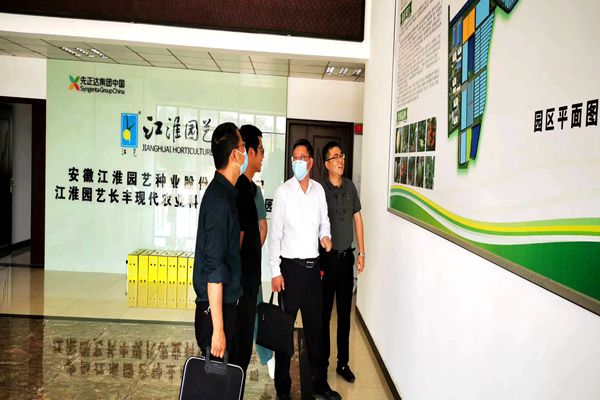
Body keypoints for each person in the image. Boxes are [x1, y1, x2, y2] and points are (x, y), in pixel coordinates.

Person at [269, 139, 341, 400]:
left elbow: (325, 222)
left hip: (312, 271)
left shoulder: (318, 191)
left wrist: (326, 236)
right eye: (294, 158)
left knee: (316, 330)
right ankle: (283, 388)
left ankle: (319, 383)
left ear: (310, 162)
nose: (298, 161)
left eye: (302, 157)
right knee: (284, 330)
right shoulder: (283, 193)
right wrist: (275, 271)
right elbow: (275, 235)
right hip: (290, 270)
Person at [193, 122, 246, 361]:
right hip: (216, 310)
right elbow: (214, 270)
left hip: (223, 306)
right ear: (234, 155)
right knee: (215, 376)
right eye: (243, 147)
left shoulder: (225, 194)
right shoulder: (219, 202)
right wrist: (218, 330)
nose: (245, 152)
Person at [319, 141, 365, 384]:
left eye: (342, 155)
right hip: (326, 261)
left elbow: (358, 219)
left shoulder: (350, 187)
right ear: (327, 164)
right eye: (335, 157)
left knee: (345, 315)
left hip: (346, 259)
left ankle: (342, 363)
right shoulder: (319, 189)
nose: (341, 160)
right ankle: (323, 363)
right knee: (324, 315)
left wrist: (362, 253)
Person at [233, 124, 265, 391]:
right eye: (261, 150)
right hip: (241, 286)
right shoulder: (242, 190)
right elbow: (239, 239)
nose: (263, 155)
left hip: (248, 283)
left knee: (242, 349)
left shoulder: (250, 189)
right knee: (238, 349)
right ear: (250, 151)